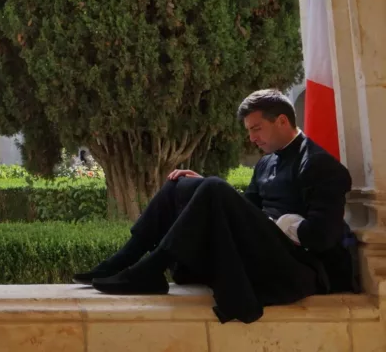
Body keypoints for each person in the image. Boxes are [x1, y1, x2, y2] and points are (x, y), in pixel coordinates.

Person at [73, 89, 357, 324]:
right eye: (249, 131)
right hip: (264, 252)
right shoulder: (266, 162)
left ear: (282, 121)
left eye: (256, 129)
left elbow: (322, 236)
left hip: (298, 269)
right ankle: (124, 259)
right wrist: (204, 190)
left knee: (212, 186)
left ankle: (151, 268)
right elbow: (247, 211)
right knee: (180, 185)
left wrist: (282, 224)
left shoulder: (319, 164)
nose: (252, 138)